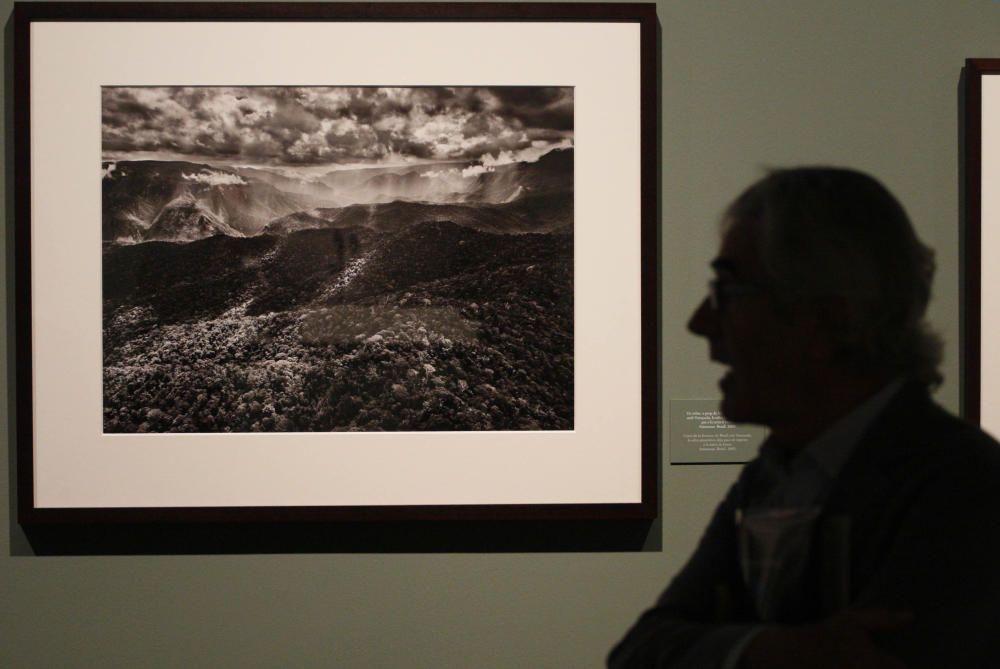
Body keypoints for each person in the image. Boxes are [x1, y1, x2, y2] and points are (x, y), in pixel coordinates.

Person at [608, 167, 1000, 668]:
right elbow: (637, 653)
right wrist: (782, 651)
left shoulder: (962, 484)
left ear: (829, 316)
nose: (700, 323)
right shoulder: (776, 472)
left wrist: (738, 643)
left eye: (728, 292)